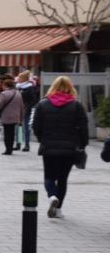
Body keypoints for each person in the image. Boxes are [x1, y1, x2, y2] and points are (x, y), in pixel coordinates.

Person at [32, 76, 88, 219]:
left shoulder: (42, 104)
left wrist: (42, 139)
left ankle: (52, 196)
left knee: (49, 176)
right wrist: (82, 144)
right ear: (70, 88)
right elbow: (83, 127)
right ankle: (58, 210)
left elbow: (36, 126)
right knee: (62, 179)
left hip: (48, 146)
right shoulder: (76, 105)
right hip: (69, 148)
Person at [0, 76, 24, 155]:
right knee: (12, 133)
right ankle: (10, 148)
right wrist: (21, 117)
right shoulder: (18, 94)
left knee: (7, 133)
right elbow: (22, 106)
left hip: (6, 117)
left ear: (5, 85)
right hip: (16, 117)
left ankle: (8, 149)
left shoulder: (3, 94)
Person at [16, 70, 39, 152]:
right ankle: (18, 143)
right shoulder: (18, 87)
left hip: (26, 109)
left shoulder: (30, 87)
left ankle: (27, 145)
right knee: (18, 127)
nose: (18, 79)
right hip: (18, 109)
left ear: (24, 79)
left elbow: (33, 100)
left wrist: (27, 107)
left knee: (26, 128)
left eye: (20, 77)